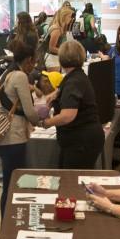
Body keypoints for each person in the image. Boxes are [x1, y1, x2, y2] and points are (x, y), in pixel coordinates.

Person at [0, 39, 42, 216]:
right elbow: (29, 111)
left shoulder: (7, 73)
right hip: (14, 137)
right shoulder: (20, 77)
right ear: (28, 60)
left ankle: (4, 224)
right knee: (13, 184)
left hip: (1, 134)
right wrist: (41, 121)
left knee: (8, 182)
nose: (34, 66)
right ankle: (7, 225)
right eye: (34, 61)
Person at [39, 41, 103, 169]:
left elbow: (67, 116)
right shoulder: (75, 76)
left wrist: (46, 123)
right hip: (80, 140)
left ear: (61, 60)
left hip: (80, 141)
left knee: (72, 181)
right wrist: (57, 93)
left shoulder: (73, 82)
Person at [43, 6, 74, 71]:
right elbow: (51, 48)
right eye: (69, 16)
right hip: (52, 60)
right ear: (64, 16)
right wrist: (65, 52)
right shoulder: (56, 29)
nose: (71, 19)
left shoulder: (60, 28)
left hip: (56, 59)